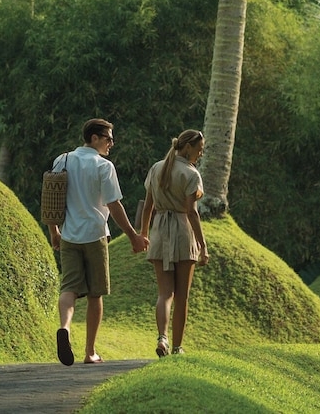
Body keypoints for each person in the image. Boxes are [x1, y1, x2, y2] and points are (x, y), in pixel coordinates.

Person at [47, 118, 148, 366]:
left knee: (68, 288)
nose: (111, 144)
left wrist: (54, 232)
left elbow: (51, 199)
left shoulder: (63, 160)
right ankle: (90, 352)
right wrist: (133, 235)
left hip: (69, 235)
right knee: (95, 294)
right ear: (94, 138)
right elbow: (114, 205)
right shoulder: (104, 166)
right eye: (108, 138)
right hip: (95, 235)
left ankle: (65, 328)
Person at [139, 129, 209, 357]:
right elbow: (191, 212)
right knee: (182, 296)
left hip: (159, 231)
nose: (200, 154)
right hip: (182, 233)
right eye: (199, 149)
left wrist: (144, 234)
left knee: (164, 293)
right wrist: (203, 245)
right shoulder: (191, 174)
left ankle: (162, 338)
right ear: (188, 147)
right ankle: (177, 347)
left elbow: (148, 206)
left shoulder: (157, 168)